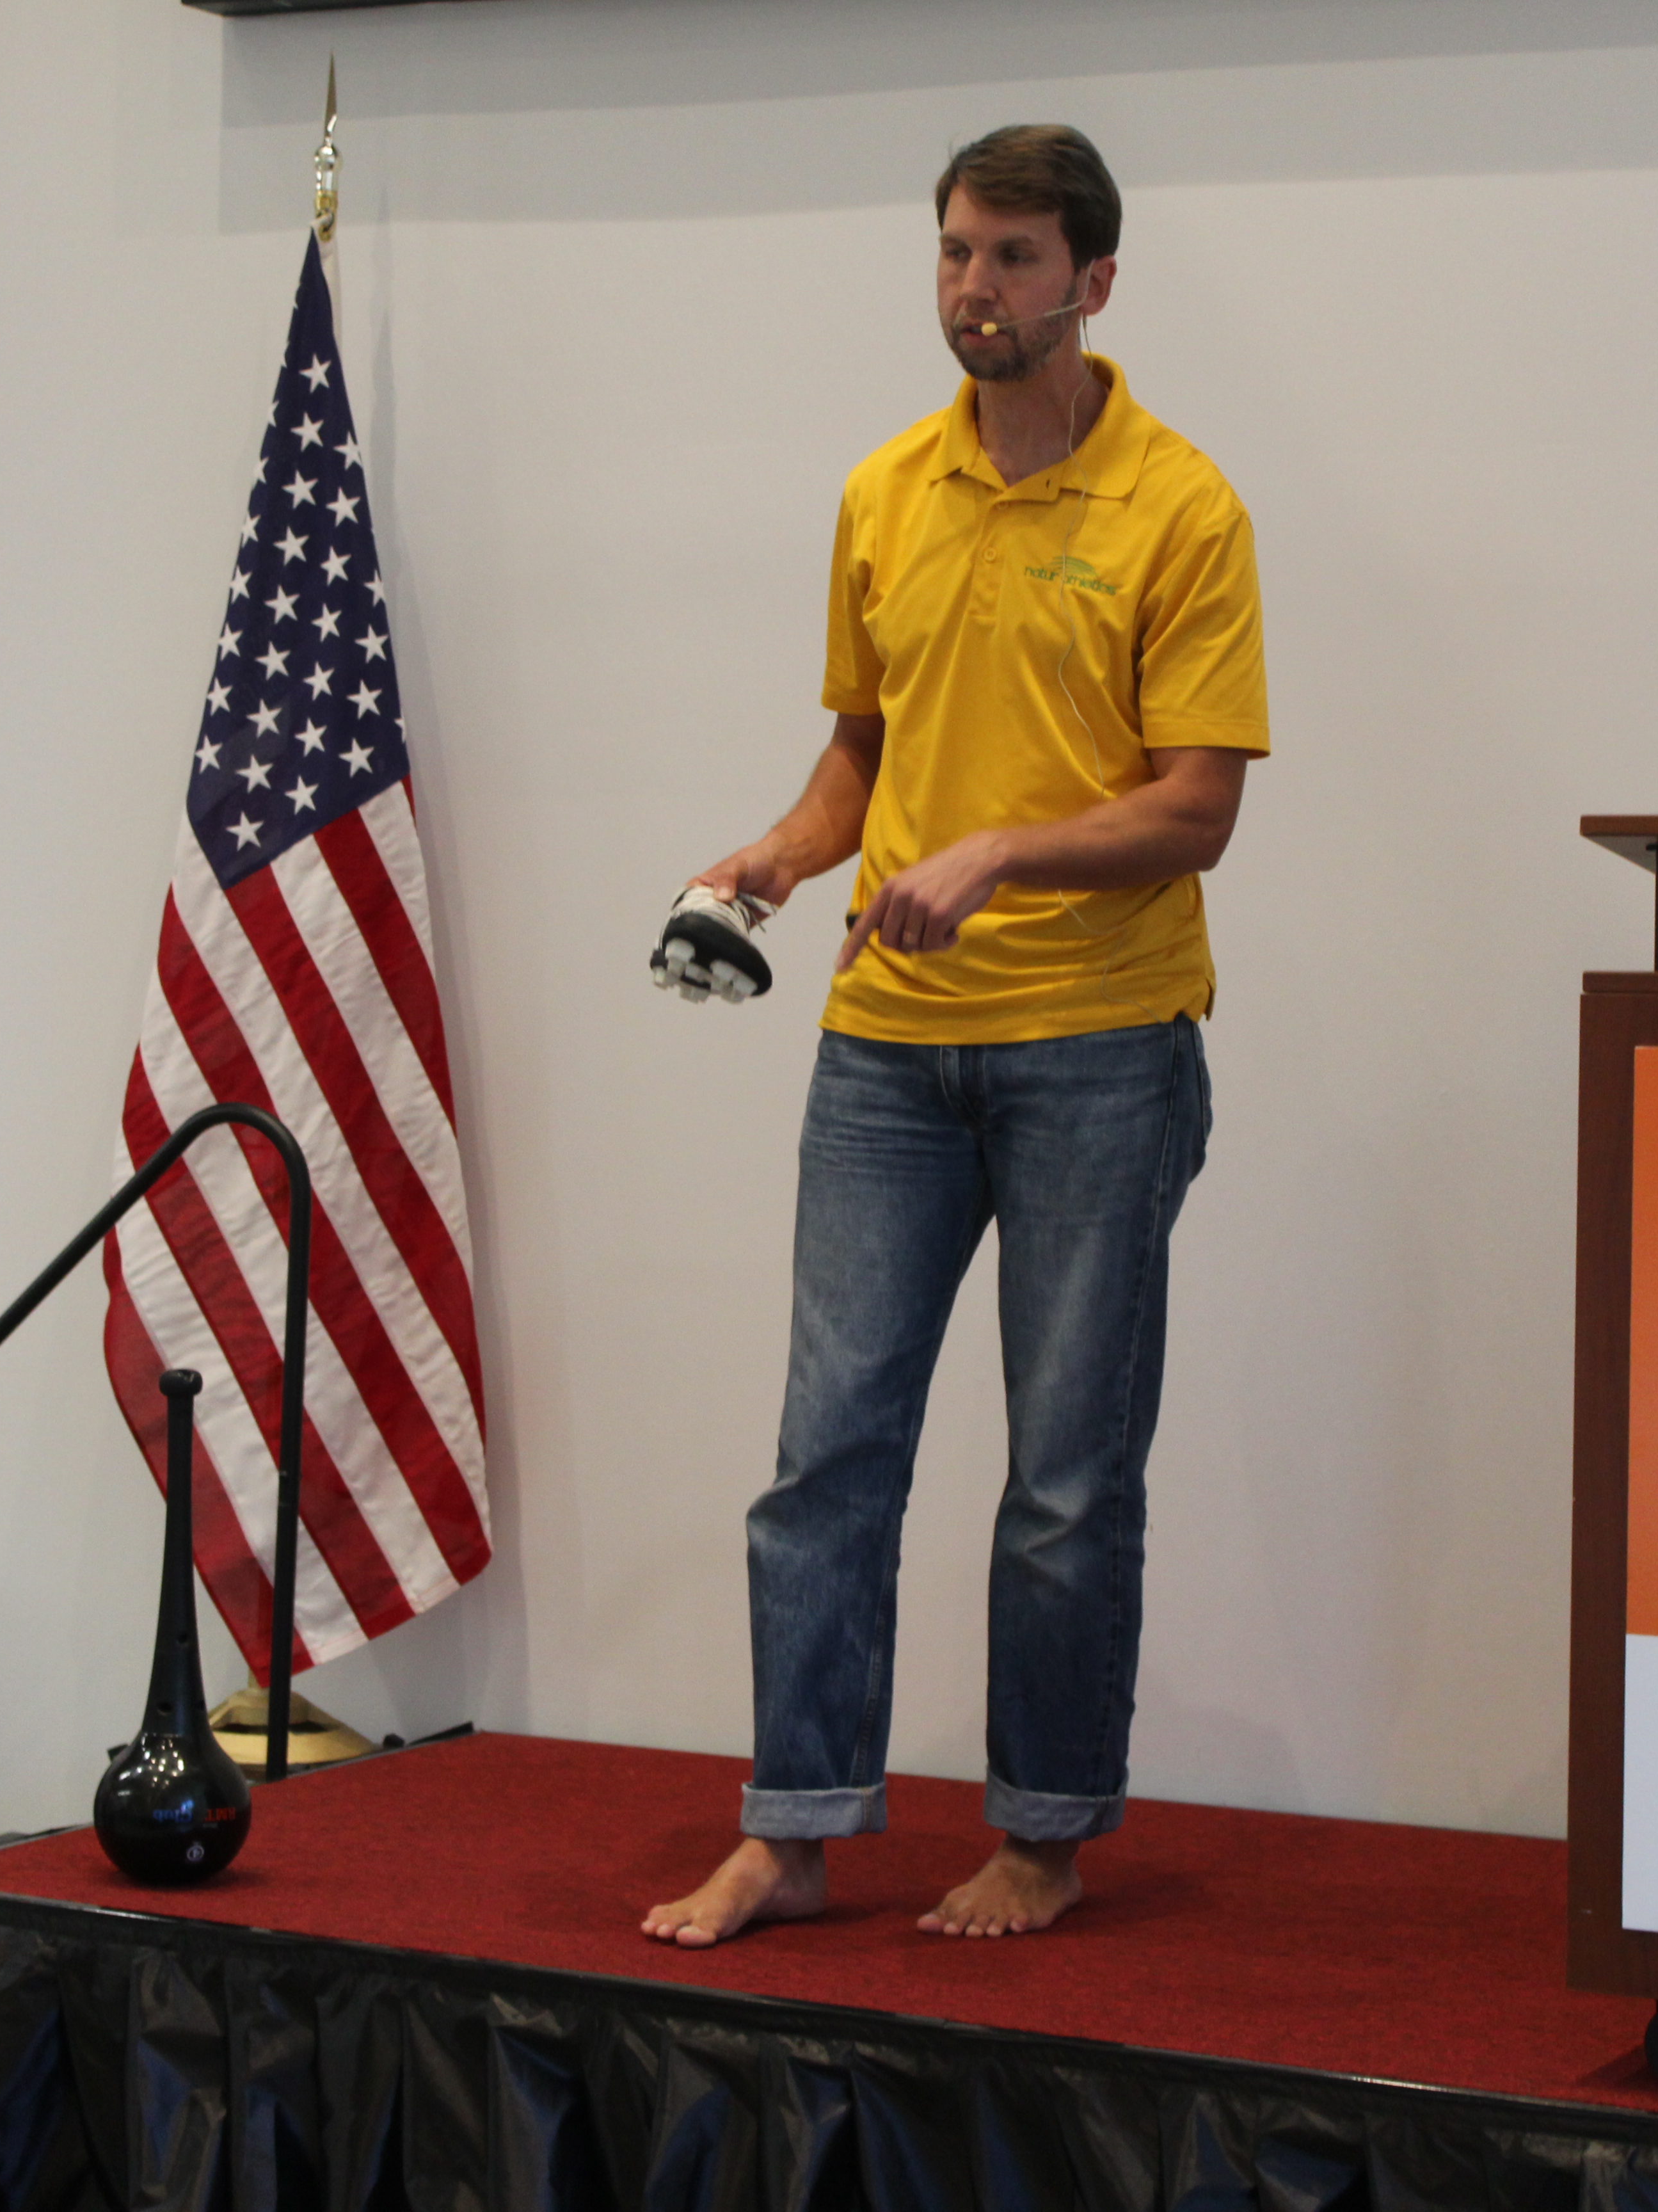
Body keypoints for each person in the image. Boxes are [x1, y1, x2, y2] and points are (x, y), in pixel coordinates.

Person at [641, 124, 1270, 1947]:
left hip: (1102, 1045)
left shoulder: (1184, 508)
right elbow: (866, 753)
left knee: (1068, 1477)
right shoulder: (886, 492)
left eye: (1008, 257)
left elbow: (1198, 808)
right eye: (952, 254)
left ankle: (1045, 1833)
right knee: (828, 1453)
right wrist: (768, 858)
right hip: (885, 1056)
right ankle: (797, 1825)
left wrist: (1001, 857)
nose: (972, 288)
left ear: (1093, 280)